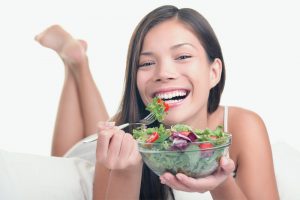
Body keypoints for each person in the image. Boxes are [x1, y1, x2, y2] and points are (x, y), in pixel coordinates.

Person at [35, 5, 279, 200]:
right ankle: (75, 63)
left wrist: (221, 181)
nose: (164, 73)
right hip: (100, 156)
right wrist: (126, 172)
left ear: (213, 72)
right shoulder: (125, 137)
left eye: (183, 56)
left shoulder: (243, 126)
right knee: (63, 161)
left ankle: (77, 62)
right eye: (147, 63)